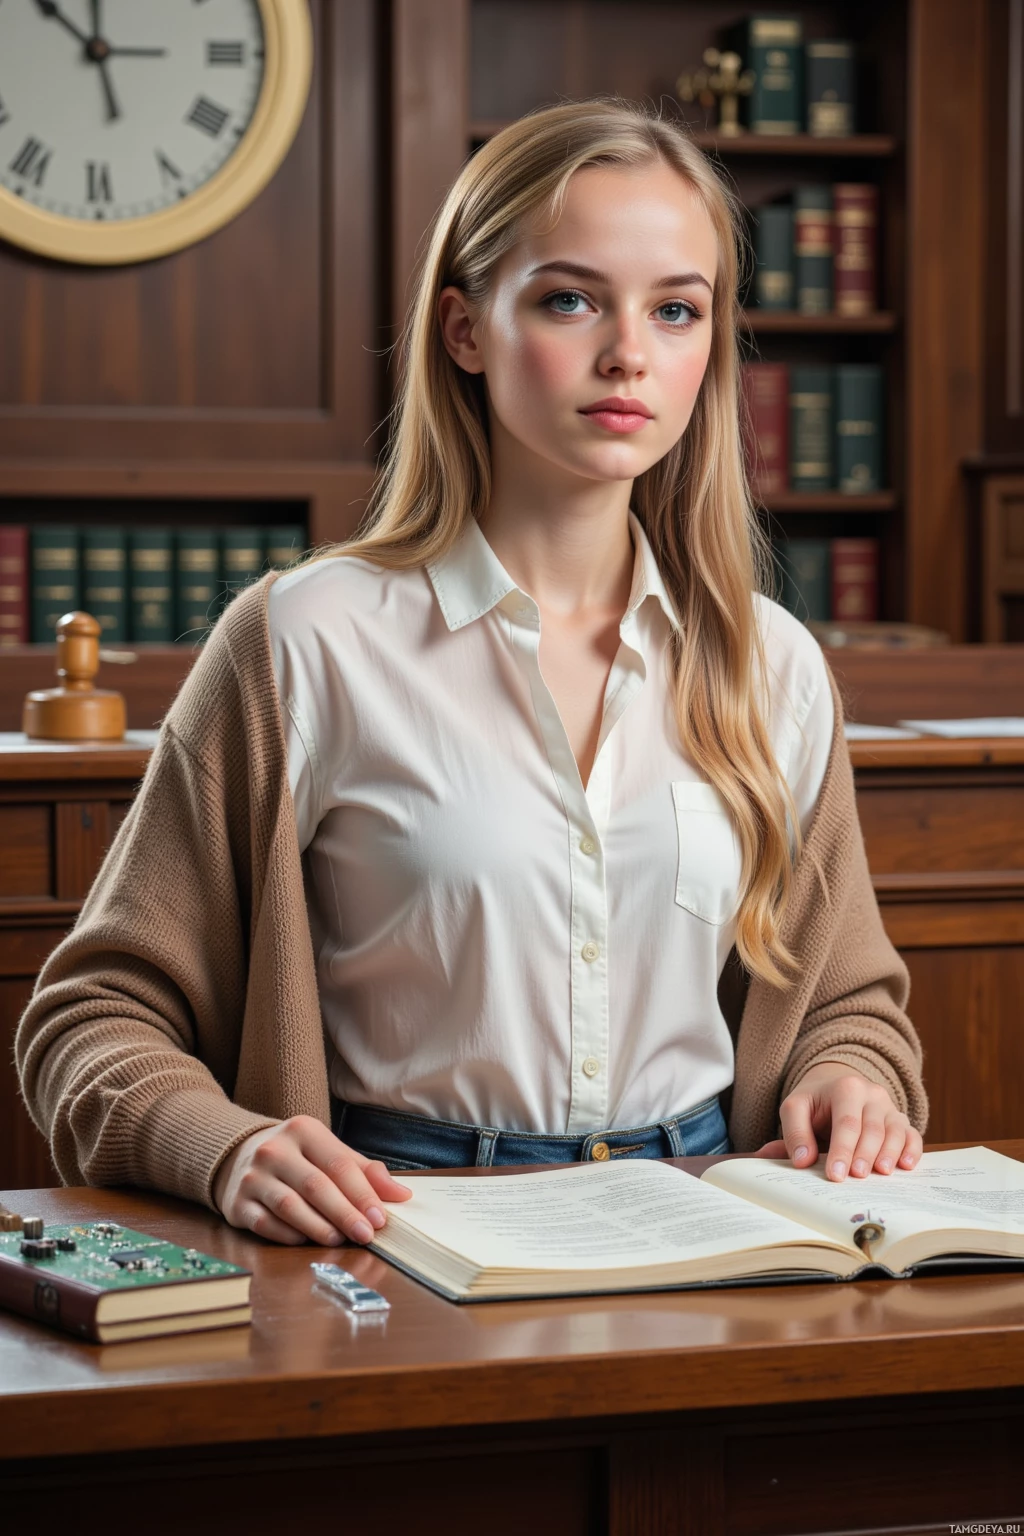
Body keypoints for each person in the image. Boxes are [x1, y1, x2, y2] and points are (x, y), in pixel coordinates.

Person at [16, 98, 926, 1250]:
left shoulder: (771, 664)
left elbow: (847, 1006)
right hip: (395, 1227)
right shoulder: (306, 642)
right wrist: (227, 1147)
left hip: (711, 1230)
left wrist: (854, 1083)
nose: (628, 353)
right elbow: (89, 1021)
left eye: (676, 310)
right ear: (462, 329)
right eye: (569, 299)